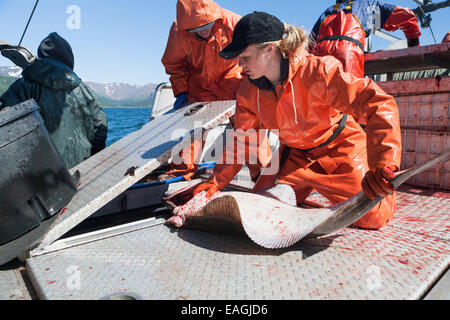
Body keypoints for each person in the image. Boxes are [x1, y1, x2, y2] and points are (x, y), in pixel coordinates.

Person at [192, 11, 402, 230]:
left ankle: (379, 197)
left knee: (373, 218)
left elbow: (378, 103)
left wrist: (383, 163)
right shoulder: (247, 90)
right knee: (259, 208)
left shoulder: (320, 71)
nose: (239, 64)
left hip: (339, 150)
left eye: (244, 57)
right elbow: (244, 137)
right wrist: (216, 182)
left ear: (269, 50)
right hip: (295, 155)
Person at [161, 0, 265, 181]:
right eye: (195, 30)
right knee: (190, 132)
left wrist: (253, 83)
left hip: (233, 82)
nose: (203, 31)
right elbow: (173, 64)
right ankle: (180, 175)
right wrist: (180, 90)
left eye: (207, 26)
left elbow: (253, 54)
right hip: (198, 86)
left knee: (248, 126)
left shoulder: (233, 22)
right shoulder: (178, 30)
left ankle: (262, 173)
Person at [0, 32, 107, 169]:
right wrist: (92, 163)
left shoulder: (21, 86)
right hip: (81, 171)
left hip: (38, 176)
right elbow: (100, 129)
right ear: (69, 60)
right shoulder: (85, 90)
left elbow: (4, 125)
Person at [311, 0, 422, 77]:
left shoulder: (328, 11)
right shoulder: (368, 6)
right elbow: (407, 17)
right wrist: (414, 45)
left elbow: (309, 45)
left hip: (319, 63)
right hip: (349, 58)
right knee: (349, 101)